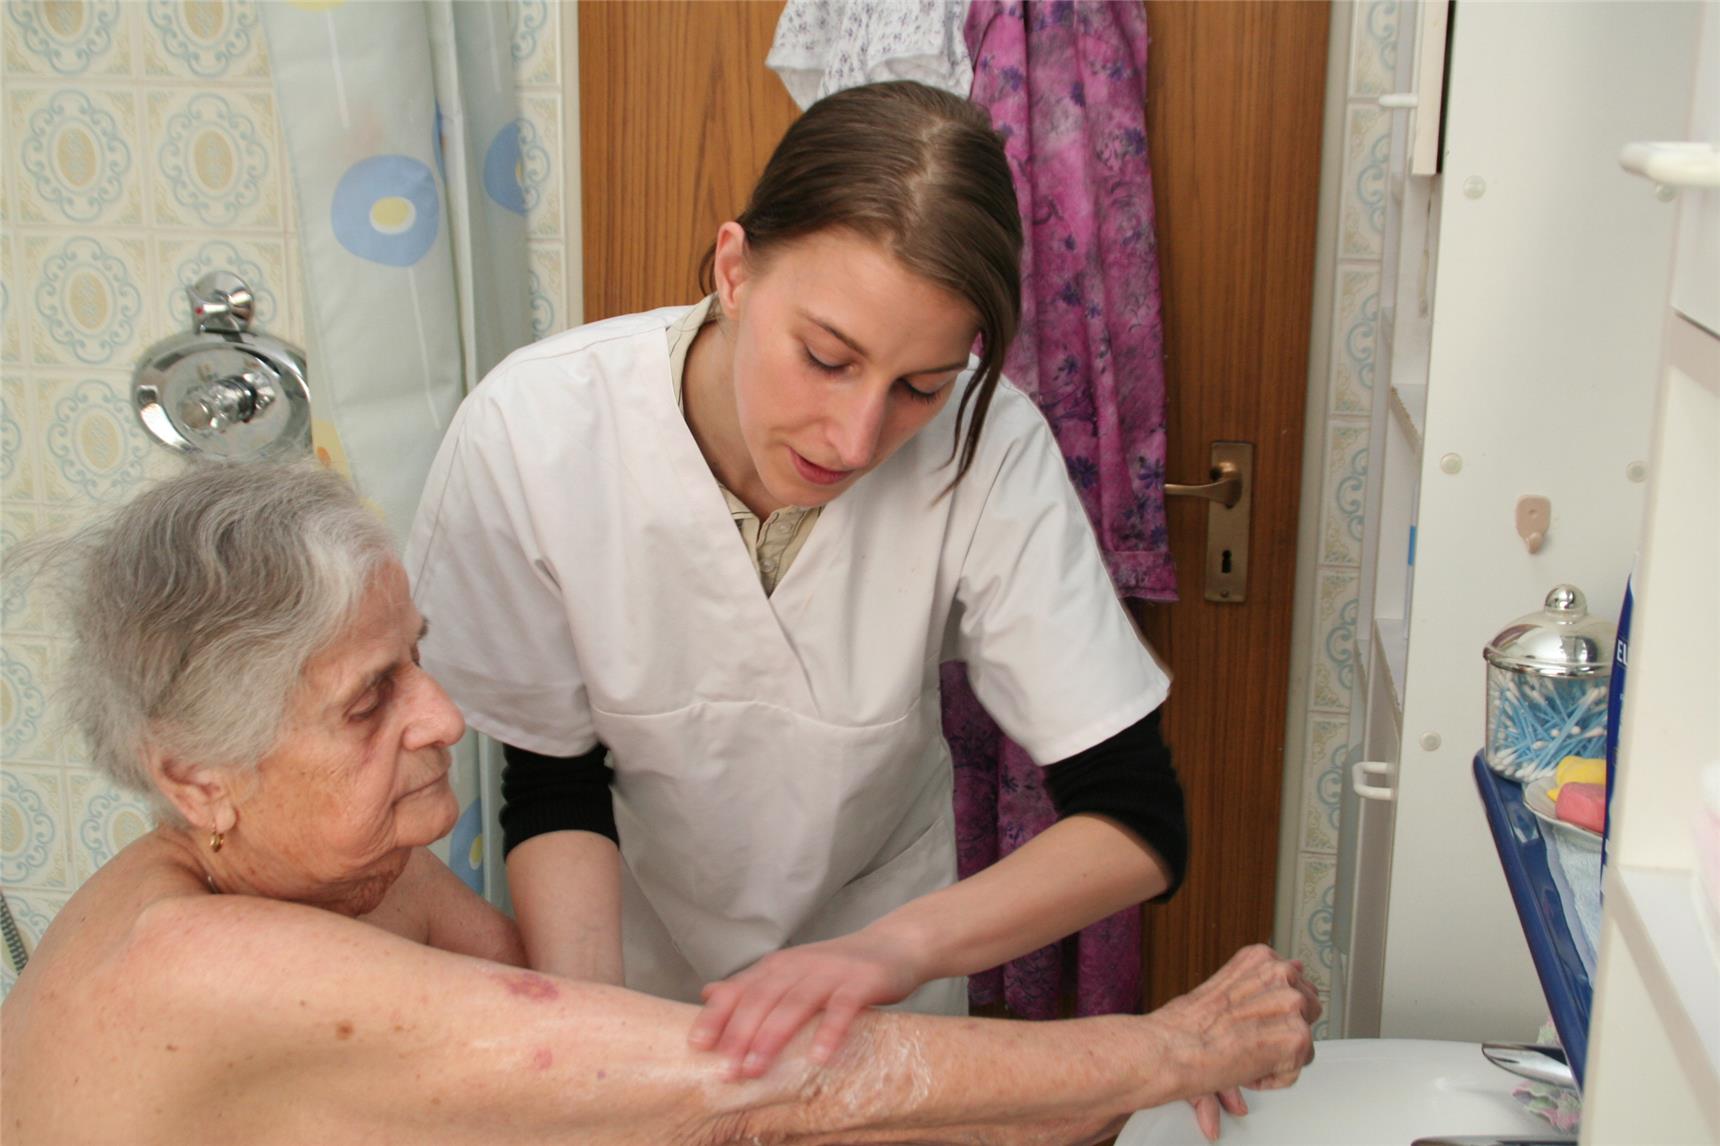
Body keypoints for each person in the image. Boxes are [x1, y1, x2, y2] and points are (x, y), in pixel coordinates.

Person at [0, 461, 1318, 1145]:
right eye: (369, 700)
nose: (445, 718)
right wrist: (1169, 1051)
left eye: (420, 658)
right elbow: (755, 1088)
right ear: (195, 778)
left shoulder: (342, 865)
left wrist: (1039, 1103)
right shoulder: (197, 961)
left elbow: (604, 1094)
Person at [407, 77, 1198, 1090]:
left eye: (918, 385)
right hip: (629, 974)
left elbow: (1135, 820)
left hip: (876, 998)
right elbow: (554, 787)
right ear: (734, 271)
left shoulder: (986, 444)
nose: (856, 437)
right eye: (826, 359)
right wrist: (594, 1059)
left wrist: (891, 954)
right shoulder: (538, 429)